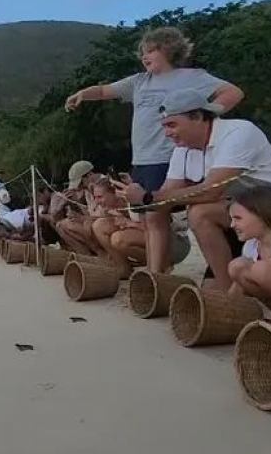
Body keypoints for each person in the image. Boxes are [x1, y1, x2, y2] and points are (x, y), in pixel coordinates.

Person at [65, 26, 244, 275]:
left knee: (159, 215)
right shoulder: (139, 81)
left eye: (150, 50)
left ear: (169, 49)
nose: (143, 56)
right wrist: (82, 94)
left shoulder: (192, 77)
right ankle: (156, 270)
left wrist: (207, 114)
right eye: (141, 53)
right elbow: (106, 90)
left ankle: (157, 274)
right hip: (143, 159)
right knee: (149, 218)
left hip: (172, 155)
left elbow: (233, 92)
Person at [119, 88, 271, 290]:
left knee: (201, 212)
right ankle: (157, 280)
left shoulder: (238, 132)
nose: (167, 133)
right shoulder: (182, 149)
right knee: (160, 212)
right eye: (164, 126)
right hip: (243, 212)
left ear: (198, 116)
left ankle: (227, 294)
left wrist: (148, 197)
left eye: (172, 124)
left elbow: (211, 191)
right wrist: (140, 199)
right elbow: (163, 199)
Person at [91, 178, 190, 278]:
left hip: (176, 242)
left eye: (100, 197)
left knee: (118, 239)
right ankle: (124, 267)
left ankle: (162, 265)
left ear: (114, 193)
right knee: (99, 226)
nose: (97, 201)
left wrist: (130, 223)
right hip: (158, 235)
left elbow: (159, 226)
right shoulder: (115, 207)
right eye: (95, 197)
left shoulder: (134, 201)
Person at [228, 183, 271, 328]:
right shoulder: (252, 245)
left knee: (260, 270)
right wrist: (224, 315)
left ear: (263, 216)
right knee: (237, 267)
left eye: (238, 218)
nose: (232, 225)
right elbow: (237, 289)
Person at [55, 161, 104, 255]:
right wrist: (76, 202)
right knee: (62, 225)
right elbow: (90, 213)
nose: (79, 187)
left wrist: (82, 218)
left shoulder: (104, 186)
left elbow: (104, 215)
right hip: (93, 221)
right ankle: (85, 254)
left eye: (81, 183)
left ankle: (101, 253)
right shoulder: (87, 190)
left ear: (89, 175)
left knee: (88, 226)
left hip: (102, 225)